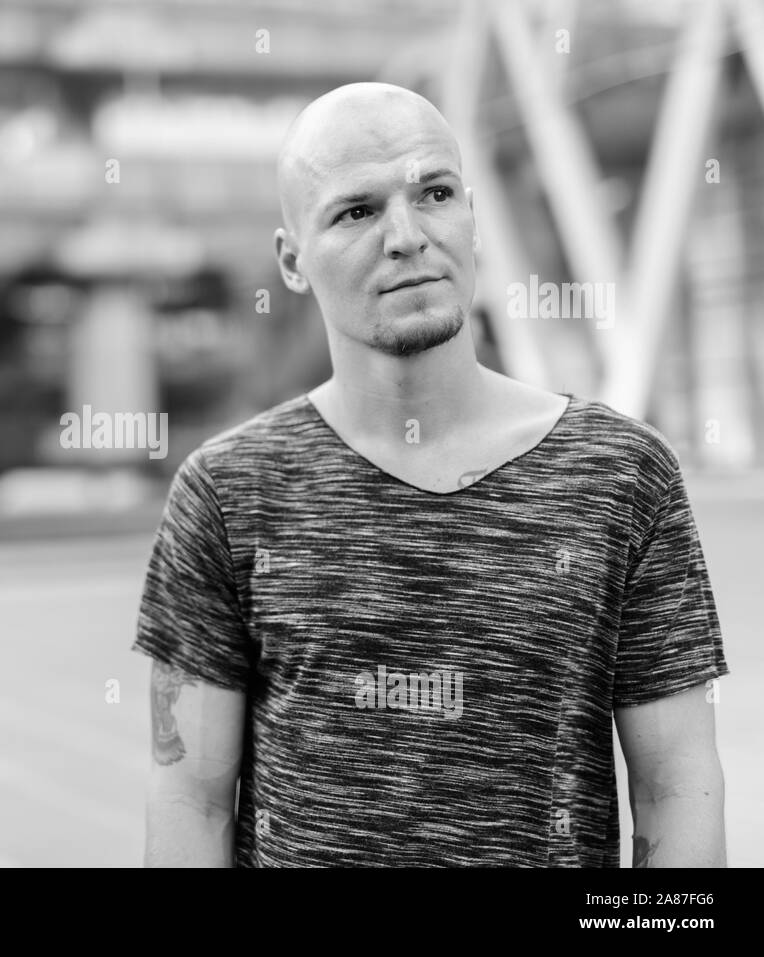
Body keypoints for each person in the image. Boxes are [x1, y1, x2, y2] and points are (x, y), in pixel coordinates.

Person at [133, 82, 729, 867]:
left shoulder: (620, 473)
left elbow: (676, 783)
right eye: (357, 211)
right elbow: (191, 796)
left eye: (435, 193)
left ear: (473, 217)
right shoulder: (228, 491)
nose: (407, 236)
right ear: (291, 260)